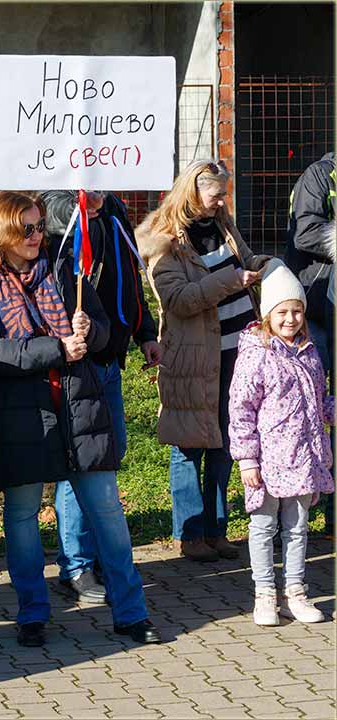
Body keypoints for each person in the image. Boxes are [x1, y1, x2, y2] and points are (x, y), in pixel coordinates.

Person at [0, 190, 160, 647]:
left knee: (107, 512)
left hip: (79, 406)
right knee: (23, 516)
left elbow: (105, 331)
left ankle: (131, 613)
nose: (36, 235)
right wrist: (57, 348)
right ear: (1, 232)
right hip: (21, 416)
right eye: (25, 228)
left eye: (38, 226)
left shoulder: (66, 270)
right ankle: (32, 613)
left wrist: (92, 331)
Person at [135, 160, 271, 562]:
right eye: (215, 195)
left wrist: (265, 266)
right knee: (189, 445)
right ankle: (189, 533)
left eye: (223, 195)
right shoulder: (163, 240)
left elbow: (245, 259)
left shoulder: (222, 224)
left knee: (226, 441)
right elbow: (178, 300)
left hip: (238, 351)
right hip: (192, 355)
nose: (221, 202)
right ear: (193, 192)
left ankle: (217, 530)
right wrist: (231, 281)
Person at [42, 189, 160, 602]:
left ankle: (93, 559)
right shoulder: (59, 199)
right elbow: (56, 218)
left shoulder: (115, 209)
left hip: (109, 355)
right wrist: (81, 206)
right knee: (83, 462)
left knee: (109, 454)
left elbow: (128, 275)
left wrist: (145, 332)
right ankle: (75, 566)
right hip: (77, 361)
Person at [228, 259, 334, 625]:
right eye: (283, 312)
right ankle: (264, 594)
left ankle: (295, 592)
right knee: (263, 528)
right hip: (268, 462)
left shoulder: (310, 352)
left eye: (297, 311)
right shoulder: (256, 355)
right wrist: (247, 459)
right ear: (267, 314)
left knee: (297, 528)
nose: (291, 319)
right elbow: (241, 409)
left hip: (304, 458)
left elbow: (318, 400)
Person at [284, 152, 335, 538]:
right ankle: (291, 516)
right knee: (305, 410)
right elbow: (305, 233)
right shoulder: (319, 175)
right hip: (316, 308)